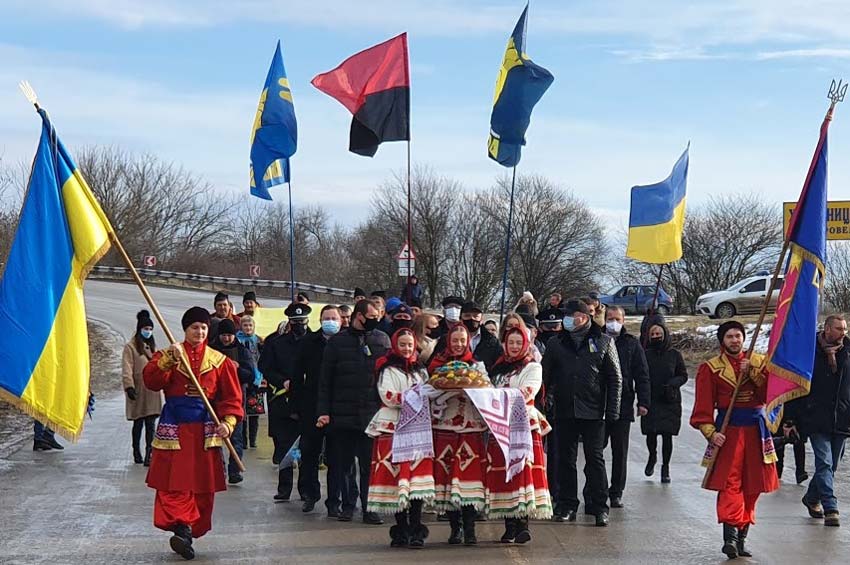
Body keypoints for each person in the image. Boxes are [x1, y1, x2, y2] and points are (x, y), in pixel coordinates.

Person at [143, 306, 243, 561]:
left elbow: (232, 398)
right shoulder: (168, 354)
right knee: (173, 483)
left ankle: (189, 529)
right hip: (175, 427)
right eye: (194, 327)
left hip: (205, 429)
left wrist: (228, 423)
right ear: (185, 330)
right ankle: (182, 528)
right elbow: (152, 381)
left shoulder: (220, 362)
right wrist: (168, 361)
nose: (199, 332)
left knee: (201, 485)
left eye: (203, 328)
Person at [690, 321, 779, 559]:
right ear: (722, 340)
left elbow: (769, 396)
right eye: (729, 336)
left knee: (753, 484)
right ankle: (729, 536)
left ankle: (742, 537)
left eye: (738, 335)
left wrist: (752, 373)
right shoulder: (710, 368)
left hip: (756, 430)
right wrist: (711, 432)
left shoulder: (759, 362)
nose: (734, 340)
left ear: (743, 337)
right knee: (731, 482)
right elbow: (703, 405)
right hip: (729, 430)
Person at [543, 299, 622, 527]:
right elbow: (546, 377)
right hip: (564, 410)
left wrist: (612, 412)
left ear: (585, 317)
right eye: (566, 315)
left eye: (572, 315)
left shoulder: (604, 341)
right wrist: (546, 401)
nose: (568, 319)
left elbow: (615, 378)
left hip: (594, 412)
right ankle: (567, 504)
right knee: (565, 460)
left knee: (594, 460)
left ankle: (599, 507)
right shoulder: (557, 344)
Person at [317, 299, 390, 525]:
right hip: (342, 414)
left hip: (371, 414)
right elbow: (325, 380)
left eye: (377, 315)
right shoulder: (337, 342)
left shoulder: (381, 340)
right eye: (371, 315)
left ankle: (370, 508)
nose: (375, 319)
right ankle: (348, 506)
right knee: (344, 465)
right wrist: (324, 411)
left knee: (369, 465)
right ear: (359, 316)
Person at [366, 328, 433, 548]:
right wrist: (415, 397)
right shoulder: (387, 369)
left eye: (410, 345)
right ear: (395, 345)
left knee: (415, 481)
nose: (406, 349)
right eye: (402, 344)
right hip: (391, 427)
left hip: (417, 429)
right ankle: (401, 527)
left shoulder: (421, 371)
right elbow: (388, 396)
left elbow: (430, 395)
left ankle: (415, 526)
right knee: (395, 479)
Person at [486, 327, 553, 544]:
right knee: (505, 474)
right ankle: (509, 523)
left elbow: (526, 392)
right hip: (501, 425)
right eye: (510, 342)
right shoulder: (498, 368)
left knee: (523, 472)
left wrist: (496, 396)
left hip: (524, 425)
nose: (514, 347)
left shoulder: (532, 366)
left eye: (518, 342)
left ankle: (523, 524)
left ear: (525, 344)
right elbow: (488, 391)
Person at [428, 324, 489, 545]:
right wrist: (444, 392)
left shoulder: (477, 366)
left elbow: (488, 391)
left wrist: (470, 390)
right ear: (448, 342)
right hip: (444, 427)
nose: (459, 344)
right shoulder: (437, 366)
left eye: (462, 340)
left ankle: (470, 529)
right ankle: (455, 528)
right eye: (455, 340)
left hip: (471, 428)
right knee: (446, 480)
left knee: (468, 480)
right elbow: (428, 394)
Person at [290, 305, 346, 515]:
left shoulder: (346, 342)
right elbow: (297, 375)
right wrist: (295, 405)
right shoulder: (308, 342)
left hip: (339, 406)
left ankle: (335, 501)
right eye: (326, 318)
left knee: (336, 456)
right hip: (311, 405)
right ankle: (310, 494)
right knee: (310, 453)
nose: (330, 321)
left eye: (334, 318)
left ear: (341, 321)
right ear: (320, 320)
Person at [797, 314, 850, 527]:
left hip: (842, 417)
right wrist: (792, 418)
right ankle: (831, 507)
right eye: (838, 328)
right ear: (827, 329)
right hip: (817, 417)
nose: (843, 333)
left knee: (831, 466)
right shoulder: (811, 351)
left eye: (845, 329)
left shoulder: (847, 352)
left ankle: (811, 497)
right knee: (824, 462)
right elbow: (799, 386)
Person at [259, 303, 311, 501]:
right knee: (283, 446)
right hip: (281, 400)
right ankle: (284, 489)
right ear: (289, 322)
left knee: (306, 448)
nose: (299, 325)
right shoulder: (276, 343)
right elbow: (265, 366)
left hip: (306, 402)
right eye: (295, 322)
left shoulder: (314, 342)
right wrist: (283, 381)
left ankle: (306, 490)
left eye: (302, 322)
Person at [601, 306, 649, 508]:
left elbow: (642, 374)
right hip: (598, 405)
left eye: (617, 318)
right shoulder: (596, 340)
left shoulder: (632, 344)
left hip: (623, 404)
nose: (613, 322)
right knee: (595, 451)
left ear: (623, 320)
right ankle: (596, 490)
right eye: (610, 318)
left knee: (620, 452)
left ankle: (616, 491)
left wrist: (644, 401)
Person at [641, 320, 688, 484]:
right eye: (653, 334)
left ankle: (665, 467)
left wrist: (673, 384)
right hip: (651, 398)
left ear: (665, 335)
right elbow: (641, 375)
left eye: (658, 334)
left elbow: (683, 375)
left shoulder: (674, 354)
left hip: (669, 400)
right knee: (651, 433)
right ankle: (652, 456)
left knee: (667, 435)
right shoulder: (645, 354)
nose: (656, 337)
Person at [209, 318, 254, 484]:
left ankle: (234, 470)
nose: (226, 339)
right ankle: (217, 469)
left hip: (235, 397)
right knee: (214, 436)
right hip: (214, 398)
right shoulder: (211, 349)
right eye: (223, 335)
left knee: (236, 436)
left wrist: (237, 369)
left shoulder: (242, 351)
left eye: (229, 335)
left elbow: (250, 374)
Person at [123, 310, 163, 466]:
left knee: (151, 424)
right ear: (140, 329)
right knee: (138, 423)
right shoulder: (131, 347)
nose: (148, 331)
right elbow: (126, 368)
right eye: (146, 328)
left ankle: (149, 453)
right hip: (138, 390)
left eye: (150, 329)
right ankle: (136, 451)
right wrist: (129, 387)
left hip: (152, 390)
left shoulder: (152, 346)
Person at [236, 315, 264, 449]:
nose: (248, 328)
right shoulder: (237, 340)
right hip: (243, 379)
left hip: (257, 378)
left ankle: (253, 439)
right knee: (243, 412)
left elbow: (262, 359)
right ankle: (244, 440)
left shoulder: (258, 340)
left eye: (250, 325)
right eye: (245, 325)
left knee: (255, 410)